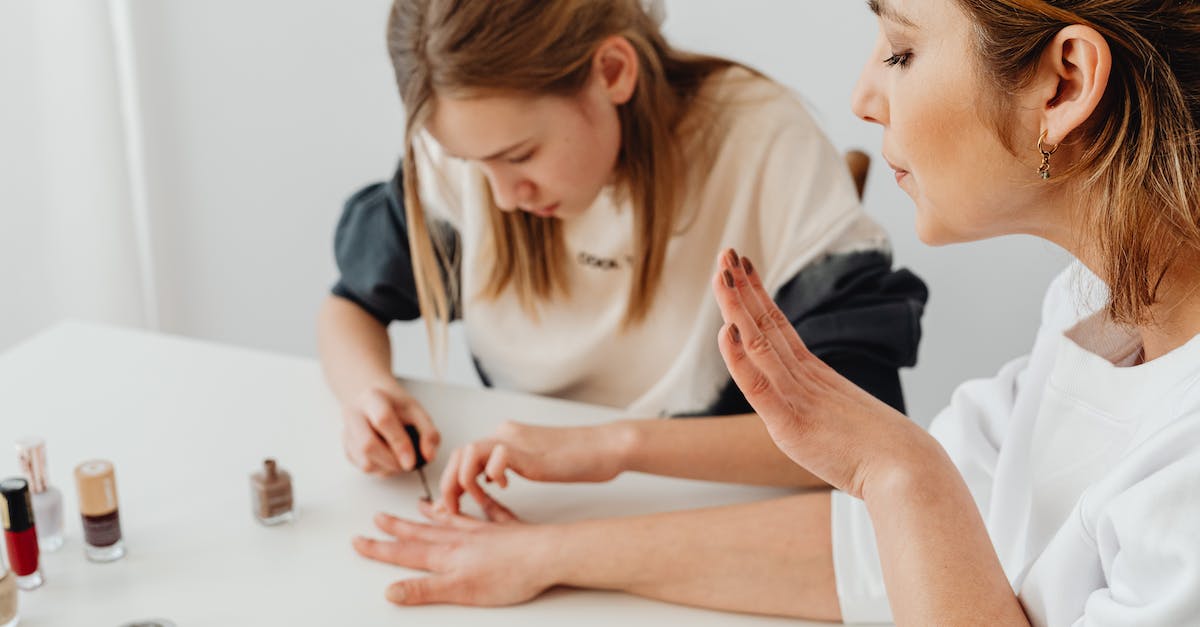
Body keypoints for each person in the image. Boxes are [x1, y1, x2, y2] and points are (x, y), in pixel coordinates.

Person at [353, 0, 1200, 624]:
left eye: (900, 50)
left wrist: (897, 471)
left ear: (1065, 82)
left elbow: (921, 517)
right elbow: (882, 556)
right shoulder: (1095, 305)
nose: (863, 97)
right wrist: (547, 556)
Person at [317, 0, 927, 490]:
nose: (502, 196)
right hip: (533, 497)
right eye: (475, 164)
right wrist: (368, 394)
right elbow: (351, 305)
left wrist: (614, 447)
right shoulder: (470, 155)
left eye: (520, 155)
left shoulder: (761, 145)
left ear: (612, 72)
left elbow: (863, 430)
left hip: (712, 507)